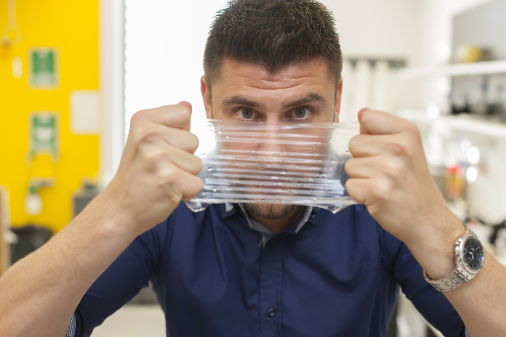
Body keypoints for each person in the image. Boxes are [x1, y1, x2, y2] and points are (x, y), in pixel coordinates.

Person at [1, 0, 506, 336]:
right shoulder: (168, 208)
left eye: (300, 113)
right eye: (245, 113)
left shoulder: (380, 209)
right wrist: (112, 210)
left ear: (336, 102)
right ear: (208, 100)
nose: (271, 152)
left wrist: (436, 225)